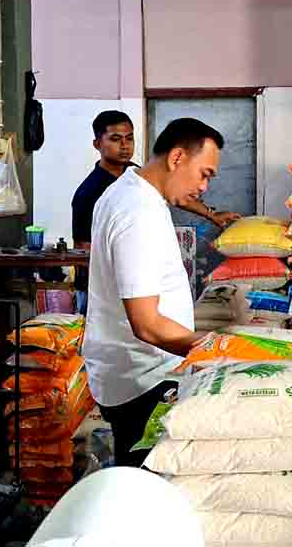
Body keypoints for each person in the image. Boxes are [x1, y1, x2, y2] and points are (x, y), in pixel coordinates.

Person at [82, 118, 225, 468]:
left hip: (138, 370)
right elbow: (146, 324)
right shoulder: (137, 213)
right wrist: (219, 352)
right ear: (177, 158)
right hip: (142, 381)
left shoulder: (130, 191)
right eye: (204, 173)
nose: (205, 186)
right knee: (146, 491)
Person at [71, 111, 239, 311]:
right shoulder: (97, 194)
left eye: (129, 138)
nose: (124, 146)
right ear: (97, 144)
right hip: (110, 293)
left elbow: (179, 196)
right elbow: (86, 248)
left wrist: (211, 214)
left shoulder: (136, 176)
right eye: (116, 139)